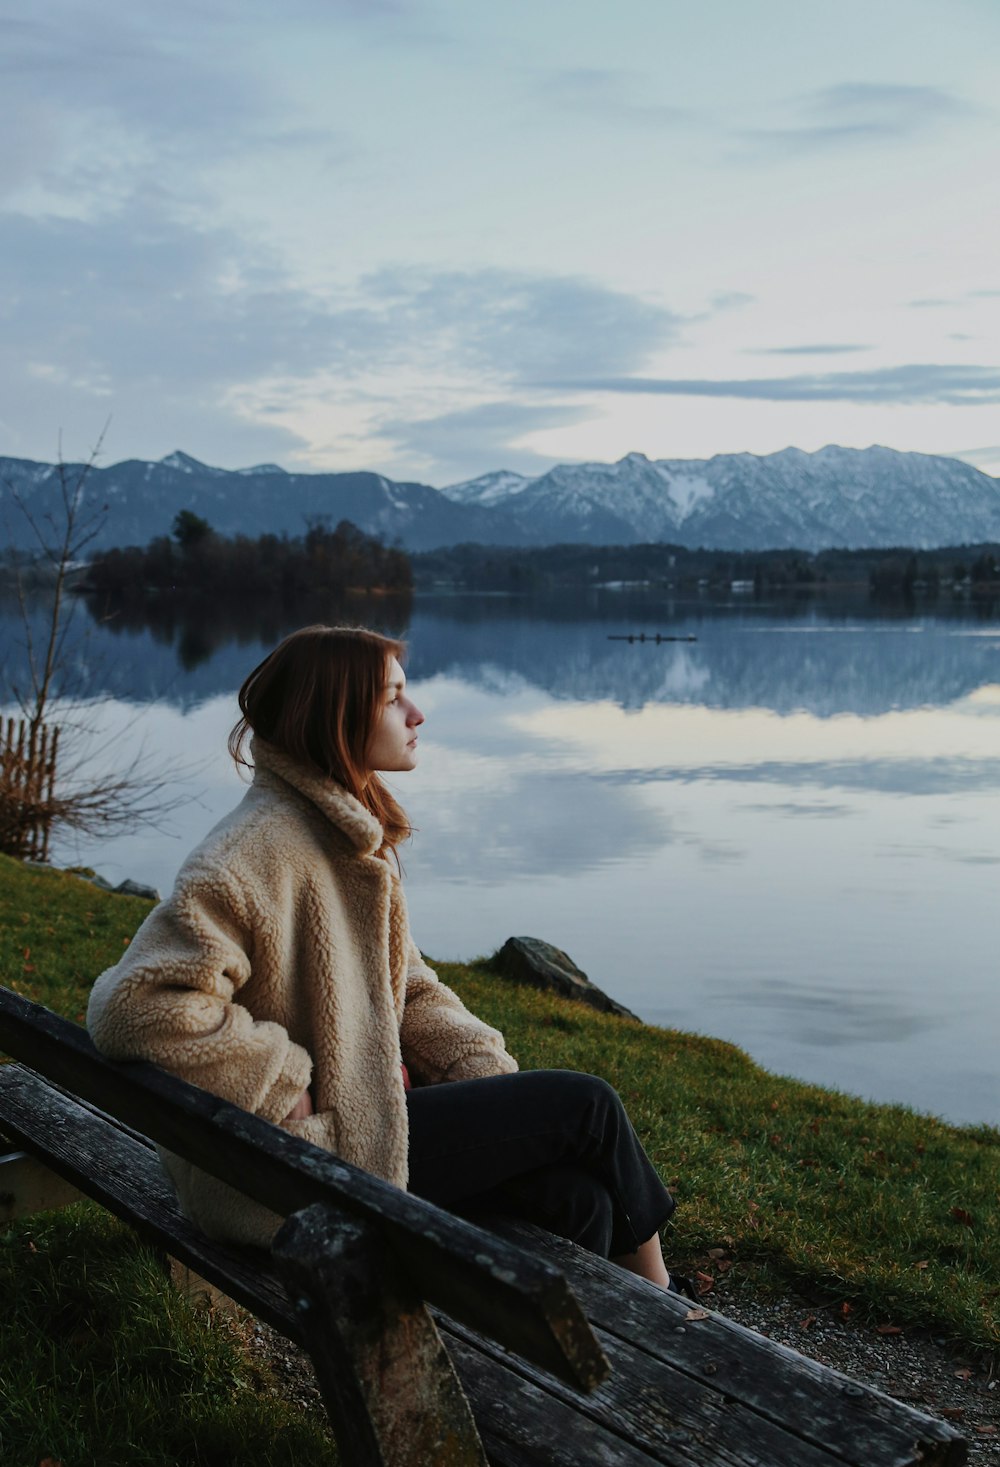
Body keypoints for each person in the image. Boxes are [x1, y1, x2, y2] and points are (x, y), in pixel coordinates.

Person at [87, 625, 686, 1292]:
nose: (417, 713)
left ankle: (554, 1380)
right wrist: (282, 1078)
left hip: (352, 1131)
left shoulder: (342, 838)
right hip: (293, 1161)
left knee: (581, 1199)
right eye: (394, 697)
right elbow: (133, 1005)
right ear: (337, 714)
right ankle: (668, 1305)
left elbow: (411, 988)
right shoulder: (252, 853)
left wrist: (481, 1078)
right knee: (589, 1107)